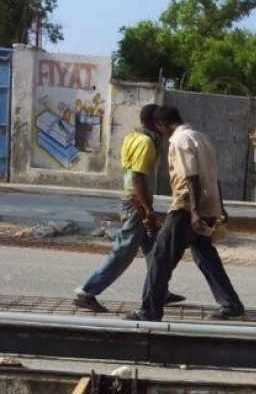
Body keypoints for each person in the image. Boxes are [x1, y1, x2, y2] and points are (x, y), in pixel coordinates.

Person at [125, 105, 244, 322]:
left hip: (186, 209)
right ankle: (231, 303)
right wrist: (220, 207)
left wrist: (194, 213)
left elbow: (192, 177)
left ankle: (150, 310)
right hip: (208, 206)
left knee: (160, 258)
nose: (160, 133)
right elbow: (213, 176)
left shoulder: (179, 141)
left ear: (162, 124)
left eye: (158, 128)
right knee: (205, 254)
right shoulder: (202, 138)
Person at [72, 103, 185, 313]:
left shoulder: (133, 137)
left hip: (132, 201)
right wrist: (147, 211)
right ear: (156, 124)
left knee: (155, 250)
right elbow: (137, 177)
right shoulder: (146, 143)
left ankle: (159, 290)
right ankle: (86, 291)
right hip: (136, 204)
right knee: (123, 252)